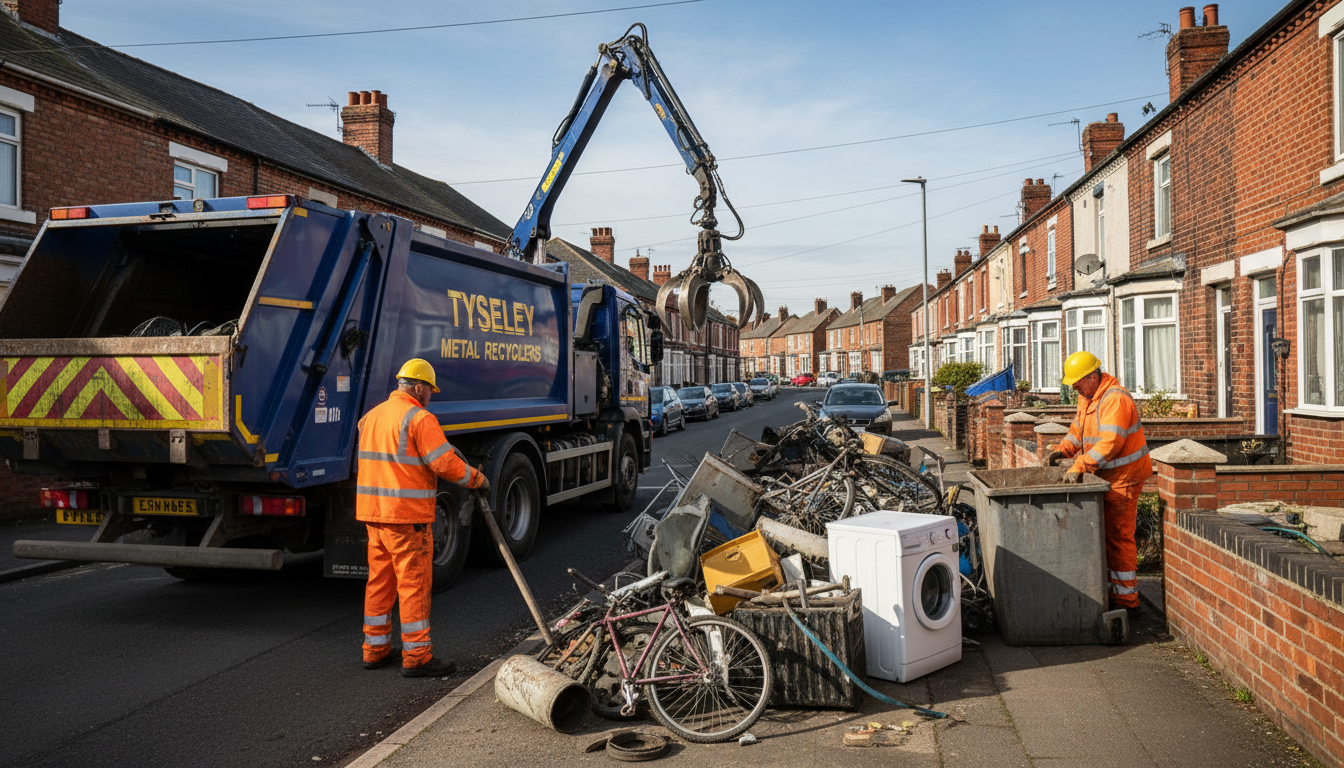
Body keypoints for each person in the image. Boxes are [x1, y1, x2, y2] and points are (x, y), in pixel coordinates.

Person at [356, 358, 488, 677]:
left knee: (380, 582)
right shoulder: (419, 418)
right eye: (429, 390)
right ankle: (417, 656)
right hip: (407, 518)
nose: (430, 396)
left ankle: (375, 649)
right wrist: (477, 479)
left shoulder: (370, 418)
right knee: (413, 584)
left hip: (375, 516)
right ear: (418, 387)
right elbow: (445, 464)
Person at [1044, 351, 1152, 613]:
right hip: (1105, 478)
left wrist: (1080, 465)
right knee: (1103, 536)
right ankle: (1109, 591)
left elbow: (1110, 444)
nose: (1073, 386)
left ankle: (1127, 601)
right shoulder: (1088, 397)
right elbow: (1077, 430)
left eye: (1077, 381)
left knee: (1118, 537)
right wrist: (1065, 449)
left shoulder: (1115, 399)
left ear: (1093, 377)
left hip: (1123, 479)